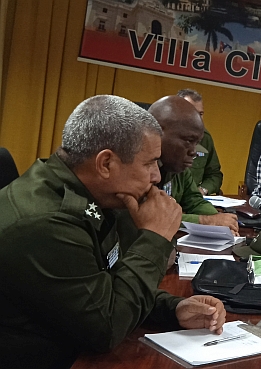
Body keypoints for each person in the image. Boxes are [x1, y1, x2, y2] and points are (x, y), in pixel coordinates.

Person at [0, 95, 226, 368]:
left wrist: (172, 308)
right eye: (149, 163)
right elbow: (105, 327)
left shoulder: (92, 193)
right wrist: (155, 239)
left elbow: (105, 286)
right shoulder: (48, 224)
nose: (156, 176)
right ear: (105, 163)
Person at [148, 96, 239, 235]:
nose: (193, 152)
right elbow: (152, 217)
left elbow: (194, 200)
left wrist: (222, 221)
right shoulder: (135, 166)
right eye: (188, 141)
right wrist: (208, 221)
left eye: (196, 143)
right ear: (158, 131)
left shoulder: (176, 164)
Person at [177, 88, 223, 196]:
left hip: (193, 200)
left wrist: (202, 190)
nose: (198, 119)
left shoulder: (205, 138)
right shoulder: (165, 136)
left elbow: (214, 174)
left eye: (201, 114)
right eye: (193, 113)